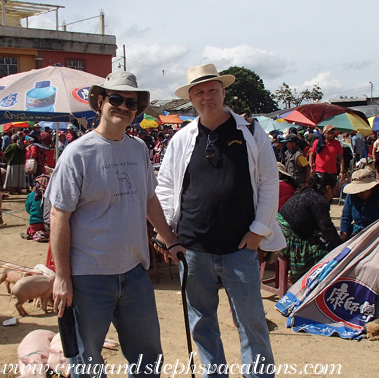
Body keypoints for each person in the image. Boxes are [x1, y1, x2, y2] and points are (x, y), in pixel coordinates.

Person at [45, 72, 183, 377]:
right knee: (88, 361)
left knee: (149, 357)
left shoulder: (137, 149)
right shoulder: (77, 154)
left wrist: (170, 240)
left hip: (135, 273)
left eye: (130, 103)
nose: (123, 107)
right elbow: (59, 216)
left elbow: (149, 200)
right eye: (116, 99)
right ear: (100, 102)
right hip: (88, 277)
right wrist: (62, 277)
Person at [155, 64, 285, 377]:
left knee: (251, 320)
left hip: (240, 246)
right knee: (201, 321)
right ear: (190, 98)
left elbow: (270, 181)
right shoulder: (182, 138)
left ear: (223, 92)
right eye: (199, 91)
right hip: (193, 247)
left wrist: (258, 231)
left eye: (212, 89)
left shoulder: (251, 132)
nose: (207, 96)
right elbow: (166, 185)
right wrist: (167, 235)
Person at [278, 172, 341, 284]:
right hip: (288, 239)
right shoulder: (319, 201)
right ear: (328, 188)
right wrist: (340, 247)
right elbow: (327, 228)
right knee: (325, 254)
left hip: (277, 234)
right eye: (334, 189)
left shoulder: (303, 193)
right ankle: (304, 280)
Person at [340, 168, 379, 241]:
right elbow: (346, 216)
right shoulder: (351, 196)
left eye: (362, 191)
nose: (359, 193)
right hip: (355, 233)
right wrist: (344, 233)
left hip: (377, 235)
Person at [22, 174, 49, 241]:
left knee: (30, 230)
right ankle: (45, 234)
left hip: (35, 223)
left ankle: (34, 234)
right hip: (49, 225)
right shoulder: (51, 196)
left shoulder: (31, 195)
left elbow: (28, 209)